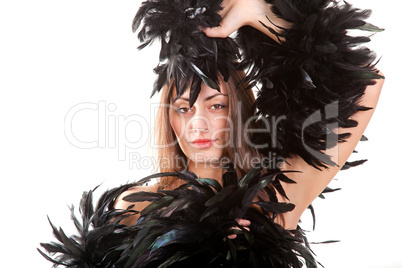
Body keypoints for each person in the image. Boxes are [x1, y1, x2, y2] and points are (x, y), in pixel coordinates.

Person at [39, 0, 384, 267]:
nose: (198, 123)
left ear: (238, 111)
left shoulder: (271, 203)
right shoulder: (131, 205)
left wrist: (259, 16)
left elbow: (365, 81)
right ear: (169, 120)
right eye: (183, 108)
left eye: (216, 106)